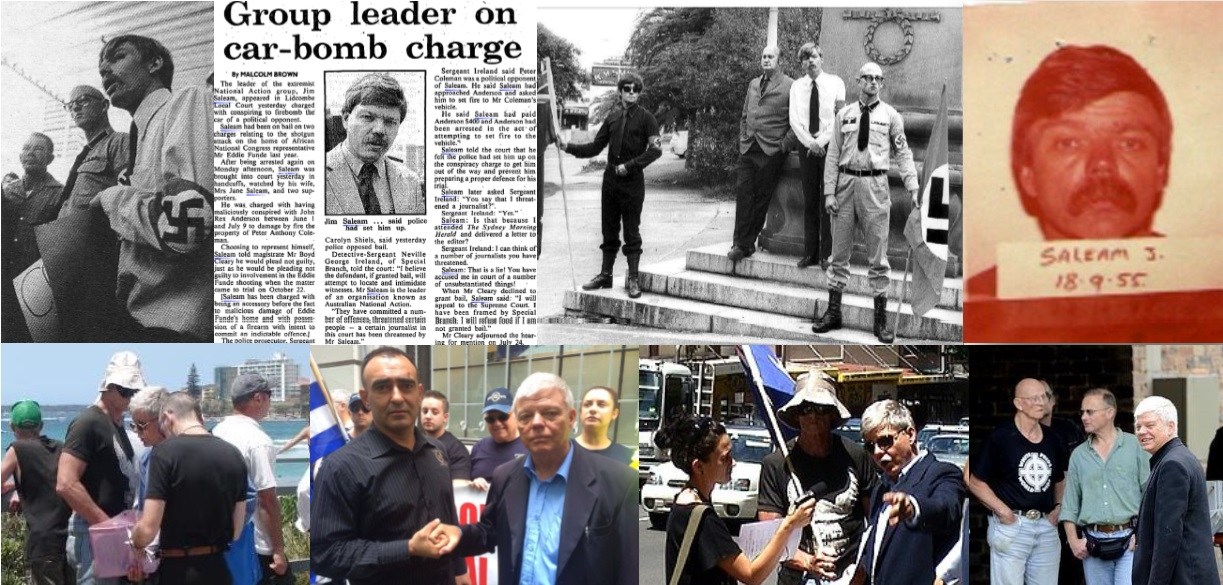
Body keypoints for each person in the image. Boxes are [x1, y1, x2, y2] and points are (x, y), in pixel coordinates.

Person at [965, 45, 1221, 342]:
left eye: (1129, 143)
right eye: (1069, 142)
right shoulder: (979, 307)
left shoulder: (1214, 294)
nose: (1102, 165)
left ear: (1161, 170)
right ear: (1028, 175)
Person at [437, 372, 640, 585]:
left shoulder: (620, 482)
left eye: (550, 413)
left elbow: (628, 570)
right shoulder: (504, 476)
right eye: (525, 416)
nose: (536, 423)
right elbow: (489, 532)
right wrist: (458, 535)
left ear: (571, 418)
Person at [311, 347, 467, 584]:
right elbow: (326, 554)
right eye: (383, 387)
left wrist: (459, 570)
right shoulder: (340, 467)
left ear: (419, 392)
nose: (397, 397)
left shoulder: (438, 451)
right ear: (366, 398)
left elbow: (449, 519)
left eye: (406, 385)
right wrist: (407, 549)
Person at [94, 34, 214, 342]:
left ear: (155, 63)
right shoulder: (139, 136)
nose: (105, 70)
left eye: (117, 57)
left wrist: (112, 198)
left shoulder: (187, 101)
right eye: (101, 66)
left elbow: (188, 225)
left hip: (173, 325)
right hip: (136, 316)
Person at [813, 62, 919, 343]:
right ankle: (833, 312)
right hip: (846, 184)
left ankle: (880, 321)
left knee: (878, 256)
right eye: (867, 78)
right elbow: (833, 154)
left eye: (877, 78)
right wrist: (829, 193)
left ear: (882, 84)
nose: (872, 82)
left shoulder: (891, 116)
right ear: (858, 81)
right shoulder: (844, 115)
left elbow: (903, 153)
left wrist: (913, 185)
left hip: (875, 186)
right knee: (839, 254)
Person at [656, 413, 815, 585]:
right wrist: (789, 525)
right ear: (699, 467)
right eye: (724, 458)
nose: (733, 463)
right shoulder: (702, 518)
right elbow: (751, 575)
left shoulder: (684, 500)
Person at [757, 373, 879, 585]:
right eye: (806, 409)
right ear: (796, 415)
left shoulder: (856, 456)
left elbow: (876, 520)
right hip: (798, 577)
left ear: (832, 414)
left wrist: (862, 567)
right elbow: (769, 534)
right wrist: (807, 561)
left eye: (821, 409)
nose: (813, 416)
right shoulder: (777, 464)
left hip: (852, 575)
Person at [561, 71, 662, 298]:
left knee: (632, 230)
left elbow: (656, 150)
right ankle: (605, 275)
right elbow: (595, 147)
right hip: (610, 181)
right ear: (620, 92)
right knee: (609, 229)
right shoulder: (613, 118)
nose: (632, 93)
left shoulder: (647, 118)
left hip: (632, 181)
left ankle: (633, 279)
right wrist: (568, 147)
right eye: (627, 89)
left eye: (636, 89)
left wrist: (631, 165)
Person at [129, 392, 248, 585]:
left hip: (178, 571)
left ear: (167, 417)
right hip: (218, 569)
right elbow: (236, 530)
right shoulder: (233, 454)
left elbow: (149, 527)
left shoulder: (164, 453)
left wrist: (135, 541)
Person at [852, 400, 964, 585]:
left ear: (910, 434)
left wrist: (913, 508)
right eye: (870, 446)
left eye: (885, 441)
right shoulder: (882, 486)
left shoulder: (942, 473)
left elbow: (946, 508)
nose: (878, 452)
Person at [56, 350, 143, 585]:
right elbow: (65, 483)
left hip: (113, 530)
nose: (131, 396)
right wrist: (108, 527)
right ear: (108, 387)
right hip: (96, 532)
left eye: (135, 391)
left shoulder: (118, 426)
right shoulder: (88, 423)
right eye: (125, 390)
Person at [968, 378, 1067, 585]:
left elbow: (1060, 478)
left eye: (1044, 397)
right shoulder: (1001, 438)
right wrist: (1004, 512)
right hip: (1012, 526)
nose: (1041, 402)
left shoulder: (1052, 439)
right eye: (1034, 398)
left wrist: (1058, 508)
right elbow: (975, 481)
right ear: (1019, 404)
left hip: (1046, 527)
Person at [1060, 388, 1149, 585]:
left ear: (1110, 413)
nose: (1084, 417)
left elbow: (1150, 495)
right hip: (1093, 542)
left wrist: (1142, 534)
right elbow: (1070, 503)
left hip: (1130, 540)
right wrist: (1073, 541)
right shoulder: (1079, 455)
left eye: (1090, 412)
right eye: (1082, 412)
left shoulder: (1135, 447)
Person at [212, 373, 291, 584]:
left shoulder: (217, 432)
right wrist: (279, 550)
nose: (270, 401)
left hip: (222, 539)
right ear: (258, 398)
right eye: (270, 395)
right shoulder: (258, 441)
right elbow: (266, 499)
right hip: (257, 545)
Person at [1132, 396, 1219, 585]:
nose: (1141, 431)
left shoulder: (1172, 464)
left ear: (1171, 427)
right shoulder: (1177, 457)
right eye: (1138, 426)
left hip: (1182, 578)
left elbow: (1168, 537)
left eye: (1149, 425)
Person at [728, 44, 796, 263]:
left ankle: (745, 243)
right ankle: (740, 243)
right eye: (764, 56)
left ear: (779, 61)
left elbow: (796, 123)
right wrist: (743, 137)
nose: (766, 60)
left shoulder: (790, 86)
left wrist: (783, 146)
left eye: (771, 57)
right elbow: (744, 115)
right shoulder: (753, 84)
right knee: (743, 194)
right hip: (748, 147)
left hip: (771, 150)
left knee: (761, 198)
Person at [325, 73, 424, 215]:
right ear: (346, 120)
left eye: (390, 121)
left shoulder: (411, 183)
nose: (379, 130)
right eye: (367, 117)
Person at [0, 400, 73, 585]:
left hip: (43, 542)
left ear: (12, 427)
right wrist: (17, 488)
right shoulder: (60, 446)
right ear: (41, 425)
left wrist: (13, 489)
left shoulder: (17, 449)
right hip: (70, 537)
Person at [790, 43, 845, 270]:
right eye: (805, 59)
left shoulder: (835, 82)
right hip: (807, 146)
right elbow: (794, 119)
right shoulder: (796, 86)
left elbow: (839, 115)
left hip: (830, 146)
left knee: (828, 199)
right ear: (801, 63)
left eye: (813, 57)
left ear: (821, 58)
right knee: (810, 200)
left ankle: (826, 255)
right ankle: (809, 253)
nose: (810, 62)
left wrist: (821, 142)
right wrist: (811, 143)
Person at [2, 133, 62, 342]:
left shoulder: (60, 194)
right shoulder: (8, 191)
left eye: (37, 149)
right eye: (26, 148)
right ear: (19, 156)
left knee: (30, 339)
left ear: (50, 158)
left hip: (35, 285)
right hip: (4, 279)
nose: (30, 153)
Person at [57, 85, 130, 217]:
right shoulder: (86, 154)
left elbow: (127, 198)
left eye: (83, 100)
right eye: (70, 105)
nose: (75, 108)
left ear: (104, 106)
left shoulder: (120, 142)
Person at [468, 386, 527, 489]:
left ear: (515, 414)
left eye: (503, 417)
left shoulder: (529, 446)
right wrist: (474, 483)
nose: (497, 423)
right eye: (490, 419)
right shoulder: (478, 447)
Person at [127, 386, 169, 511]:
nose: (138, 433)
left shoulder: (186, 454)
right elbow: (143, 511)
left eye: (141, 426)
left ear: (162, 419)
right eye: (133, 426)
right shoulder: (146, 458)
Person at [420, 389, 473, 481]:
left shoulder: (456, 449)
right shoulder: (412, 443)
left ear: (445, 417)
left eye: (434, 412)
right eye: (425, 411)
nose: (428, 416)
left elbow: (459, 487)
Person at [576, 386, 633, 465]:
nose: (593, 409)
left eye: (601, 405)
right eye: (587, 404)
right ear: (580, 413)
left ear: (614, 413)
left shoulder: (627, 457)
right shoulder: (562, 452)